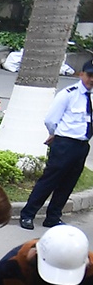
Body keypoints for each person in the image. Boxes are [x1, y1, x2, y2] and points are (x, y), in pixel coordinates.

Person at [18, 59, 93, 231]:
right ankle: (28, 214)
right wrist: (55, 134)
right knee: (49, 181)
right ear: (82, 74)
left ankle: (53, 217)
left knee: (68, 183)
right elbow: (51, 119)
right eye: (89, 75)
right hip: (64, 144)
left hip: (82, 145)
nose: (92, 79)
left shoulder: (91, 96)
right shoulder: (68, 94)